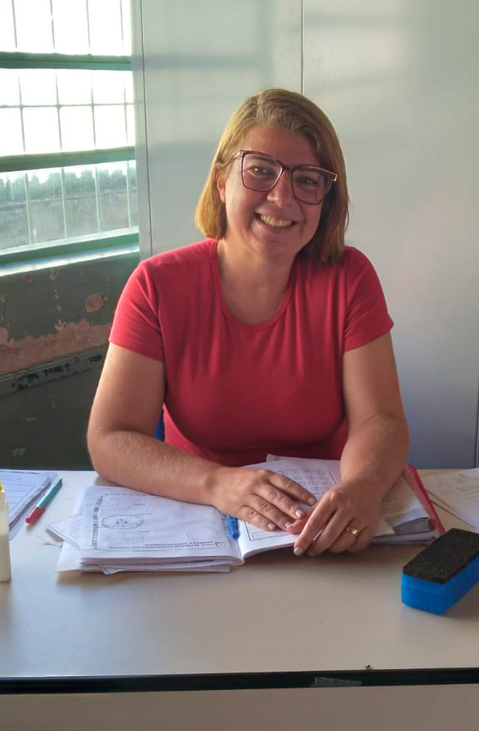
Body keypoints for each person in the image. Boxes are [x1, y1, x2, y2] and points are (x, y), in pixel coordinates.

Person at [87, 88, 408, 556]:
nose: (281, 198)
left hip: (318, 533)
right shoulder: (155, 286)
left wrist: (364, 486)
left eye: (307, 180)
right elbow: (110, 439)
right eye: (260, 170)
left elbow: (382, 420)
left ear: (325, 199)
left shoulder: (350, 278)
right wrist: (218, 484)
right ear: (222, 182)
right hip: (199, 527)